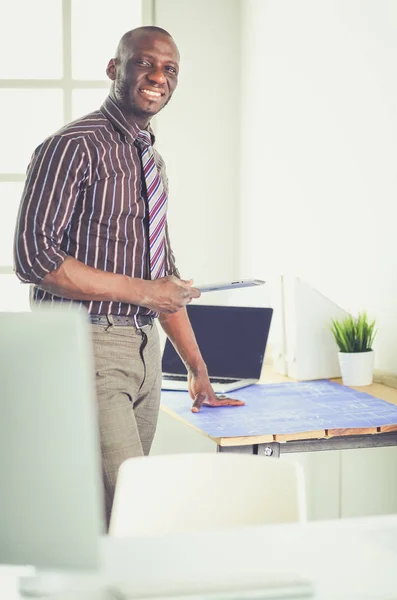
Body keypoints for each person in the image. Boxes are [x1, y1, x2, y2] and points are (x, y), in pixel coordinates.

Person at [14, 25, 245, 526]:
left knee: (118, 509)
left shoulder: (151, 161)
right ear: (115, 69)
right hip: (88, 345)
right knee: (127, 511)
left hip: (146, 354)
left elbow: (162, 276)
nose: (158, 76)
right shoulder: (73, 145)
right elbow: (34, 257)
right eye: (145, 63)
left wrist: (197, 368)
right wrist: (146, 290)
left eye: (170, 69)